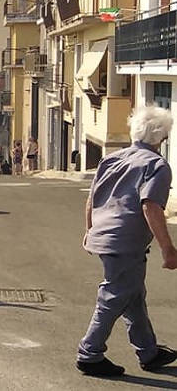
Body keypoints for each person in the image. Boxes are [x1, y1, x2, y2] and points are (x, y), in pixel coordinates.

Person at [76, 105, 177, 377]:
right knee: (113, 297)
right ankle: (89, 353)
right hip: (125, 243)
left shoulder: (111, 159)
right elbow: (151, 208)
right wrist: (169, 251)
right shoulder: (157, 165)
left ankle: (148, 351)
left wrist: (90, 231)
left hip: (106, 237)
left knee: (132, 295)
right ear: (160, 138)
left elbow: (92, 198)